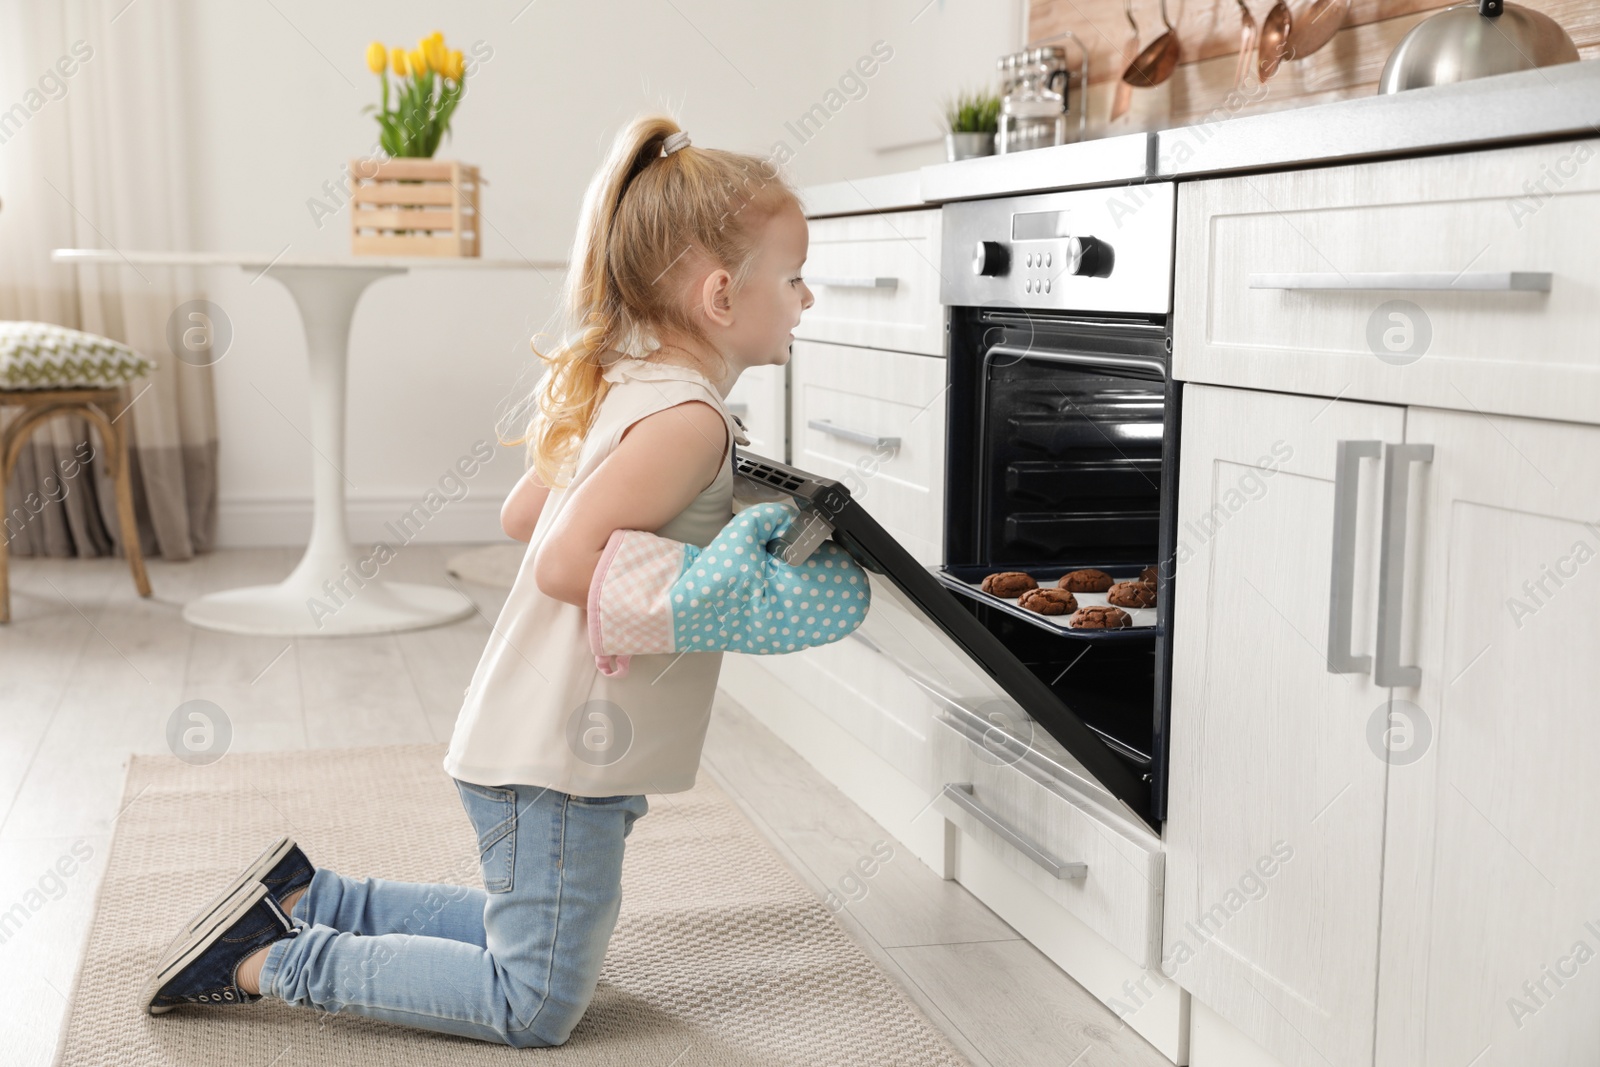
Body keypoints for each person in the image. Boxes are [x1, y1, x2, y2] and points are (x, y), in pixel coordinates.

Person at [144, 114, 814, 1047]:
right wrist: (725, 576)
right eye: (793, 278)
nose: (807, 297)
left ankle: (310, 896)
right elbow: (560, 556)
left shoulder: (626, 379)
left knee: (543, 941)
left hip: (553, 739)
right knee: (532, 999)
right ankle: (264, 960)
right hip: (557, 757)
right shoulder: (689, 420)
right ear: (719, 294)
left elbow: (521, 515)